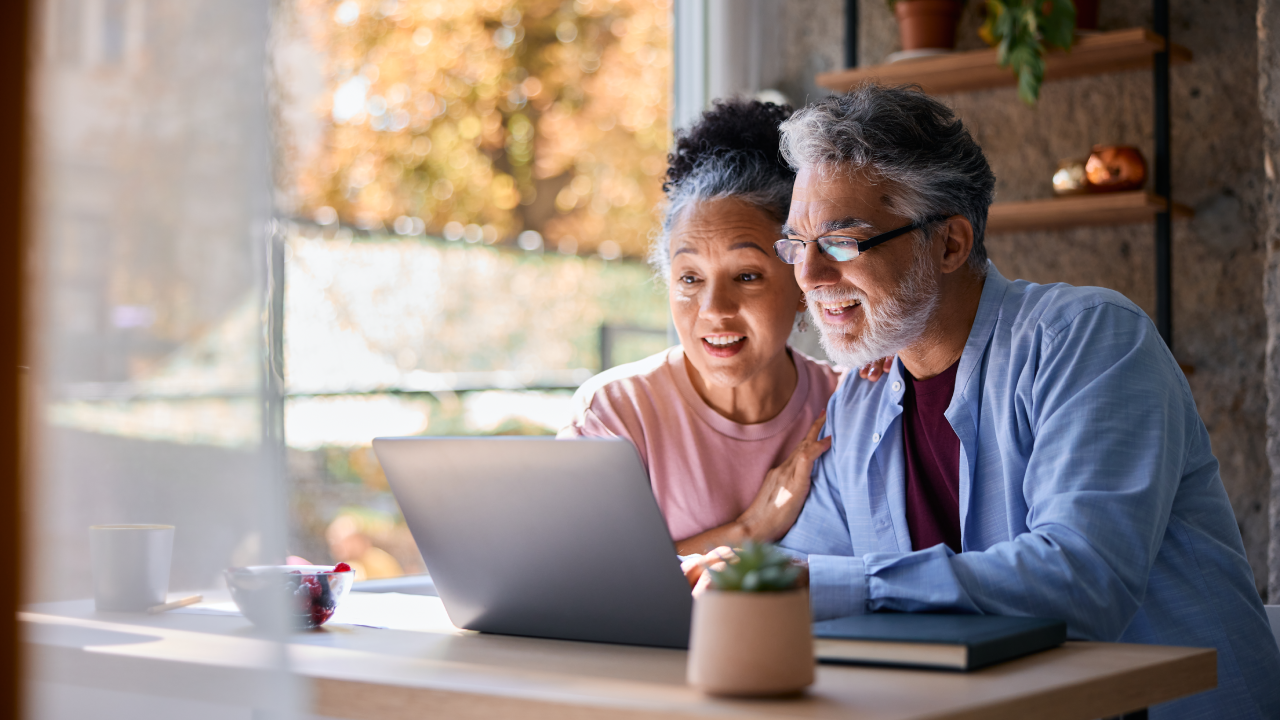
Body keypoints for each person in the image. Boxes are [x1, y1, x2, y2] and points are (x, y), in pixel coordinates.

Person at [690, 84, 1280, 718]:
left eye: (840, 243)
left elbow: (1081, 582)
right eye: (795, 245)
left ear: (949, 244)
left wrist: (822, 585)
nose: (807, 275)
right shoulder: (859, 402)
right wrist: (723, 578)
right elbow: (812, 562)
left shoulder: (1089, 339)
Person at [559, 98, 846, 556]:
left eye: (746, 276)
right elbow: (581, 581)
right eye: (690, 278)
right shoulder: (614, 413)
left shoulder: (848, 406)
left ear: (801, 283)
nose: (714, 309)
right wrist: (748, 531)